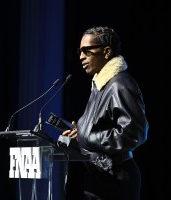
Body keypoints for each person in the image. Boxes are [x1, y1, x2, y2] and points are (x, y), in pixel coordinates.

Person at [62, 26, 149, 200]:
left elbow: (134, 133)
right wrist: (80, 133)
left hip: (116, 180)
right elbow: (101, 127)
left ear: (107, 51)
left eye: (87, 51)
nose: (81, 57)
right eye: (80, 51)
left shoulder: (120, 84)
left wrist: (88, 137)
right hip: (101, 177)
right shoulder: (101, 85)